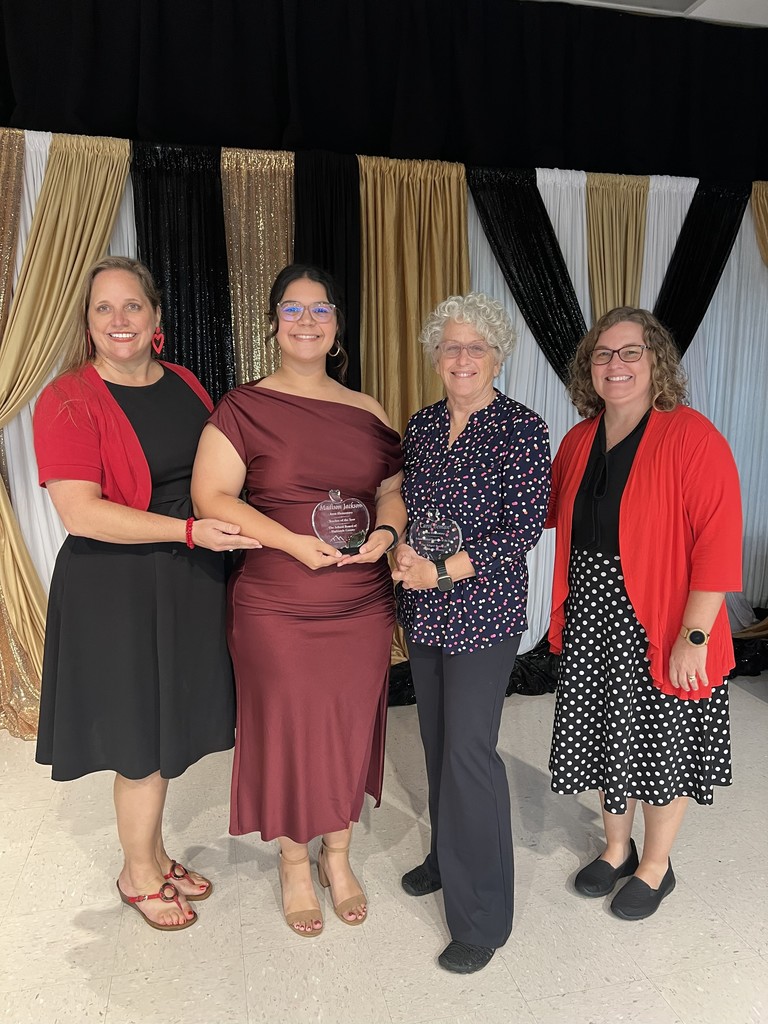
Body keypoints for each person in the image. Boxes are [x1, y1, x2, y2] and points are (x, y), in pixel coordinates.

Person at [32, 257, 259, 930]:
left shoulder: (185, 382)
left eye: (132, 306)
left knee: (165, 726)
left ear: (157, 317)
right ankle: (136, 874)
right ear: (88, 322)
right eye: (104, 309)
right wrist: (189, 531)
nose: (119, 320)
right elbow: (81, 513)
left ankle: (155, 857)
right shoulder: (67, 398)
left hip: (186, 578)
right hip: (117, 586)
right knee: (138, 737)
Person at [190, 263, 406, 937]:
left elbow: (391, 489)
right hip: (277, 600)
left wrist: (389, 531)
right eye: (292, 309)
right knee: (285, 727)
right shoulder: (243, 406)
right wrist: (286, 541)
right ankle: (291, 861)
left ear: (337, 324)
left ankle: (337, 855)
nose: (307, 321)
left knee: (348, 723)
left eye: (319, 309)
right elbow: (212, 497)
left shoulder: (369, 409)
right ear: (273, 323)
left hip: (361, 601)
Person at [547, 307, 741, 920]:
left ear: (656, 361)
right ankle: (614, 848)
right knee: (610, 737)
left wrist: (694, 636)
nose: (616, 364)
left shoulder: (692, 436)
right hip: (593, 617)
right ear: (589, 368)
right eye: (604, 354)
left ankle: (656, 866)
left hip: (664, 620)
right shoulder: (579, 440)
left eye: (631, 352)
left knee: (662, 743)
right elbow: (541, 512)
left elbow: (718, 542)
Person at [392, 293, 550, 974]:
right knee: (434, 742)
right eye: (450, 346)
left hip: (482, 614)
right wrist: (400, 549)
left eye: (474, 347)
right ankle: (444, 855)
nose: (461, 358)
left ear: (496, 356)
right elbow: (405, 499)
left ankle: (482, 915)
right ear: (436, 356)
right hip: (424, 612)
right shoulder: (423, 426)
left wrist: (442, 573)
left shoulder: (522, 428)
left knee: (468, 753)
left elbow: (519, 532)